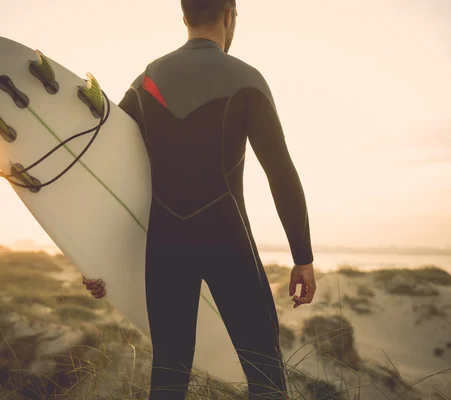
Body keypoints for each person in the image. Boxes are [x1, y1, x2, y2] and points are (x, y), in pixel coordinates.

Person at [82, 1, 316, 398]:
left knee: (169, 370)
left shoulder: (146, 80)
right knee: (264, 370)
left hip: (166, 247)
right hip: (229, 243)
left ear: (185, 16)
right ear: (229, 15)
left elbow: (110, 174)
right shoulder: (246, 79)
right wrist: (302, 257)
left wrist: (91, 256)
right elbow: (280, 172)